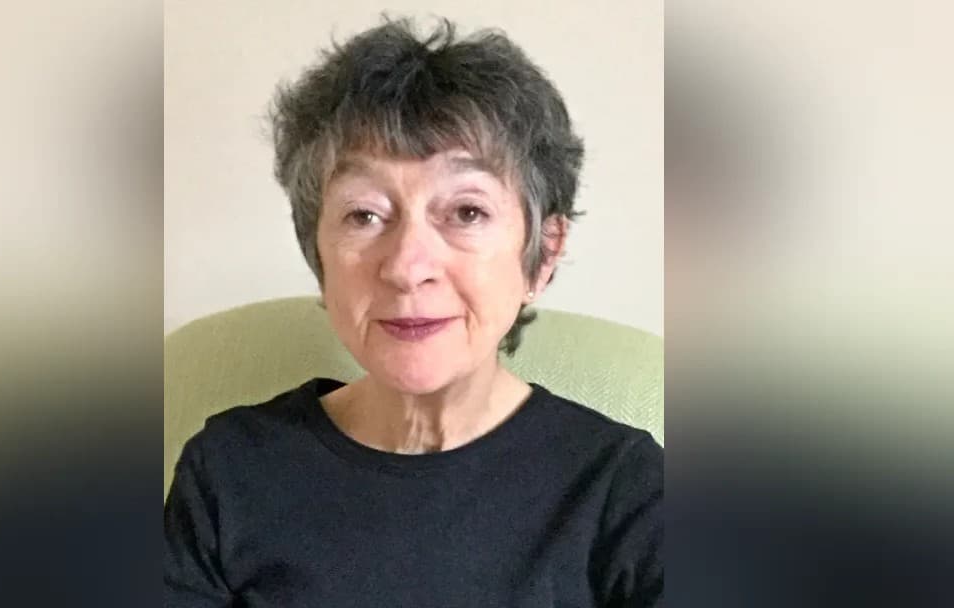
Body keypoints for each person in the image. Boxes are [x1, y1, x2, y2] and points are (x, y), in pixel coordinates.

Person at [164, 16, 662, 607]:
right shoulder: (228, 473)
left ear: (543, 254)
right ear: (317, 255)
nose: (407, 266)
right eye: (364, 215)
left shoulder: (626, 491)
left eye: (467, 212)